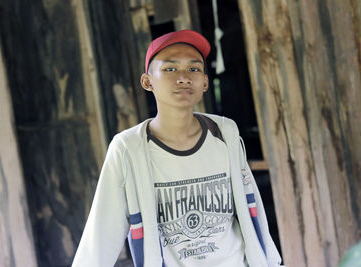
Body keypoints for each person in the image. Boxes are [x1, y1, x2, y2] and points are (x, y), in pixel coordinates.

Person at [72, 30, 283, 267]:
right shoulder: (129, 148)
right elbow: (102, 234)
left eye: (193, 69)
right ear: (147, 81)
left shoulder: (225, 133)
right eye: (170, 69)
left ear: (205, 82)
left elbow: (250, 208)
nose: (183, 77)